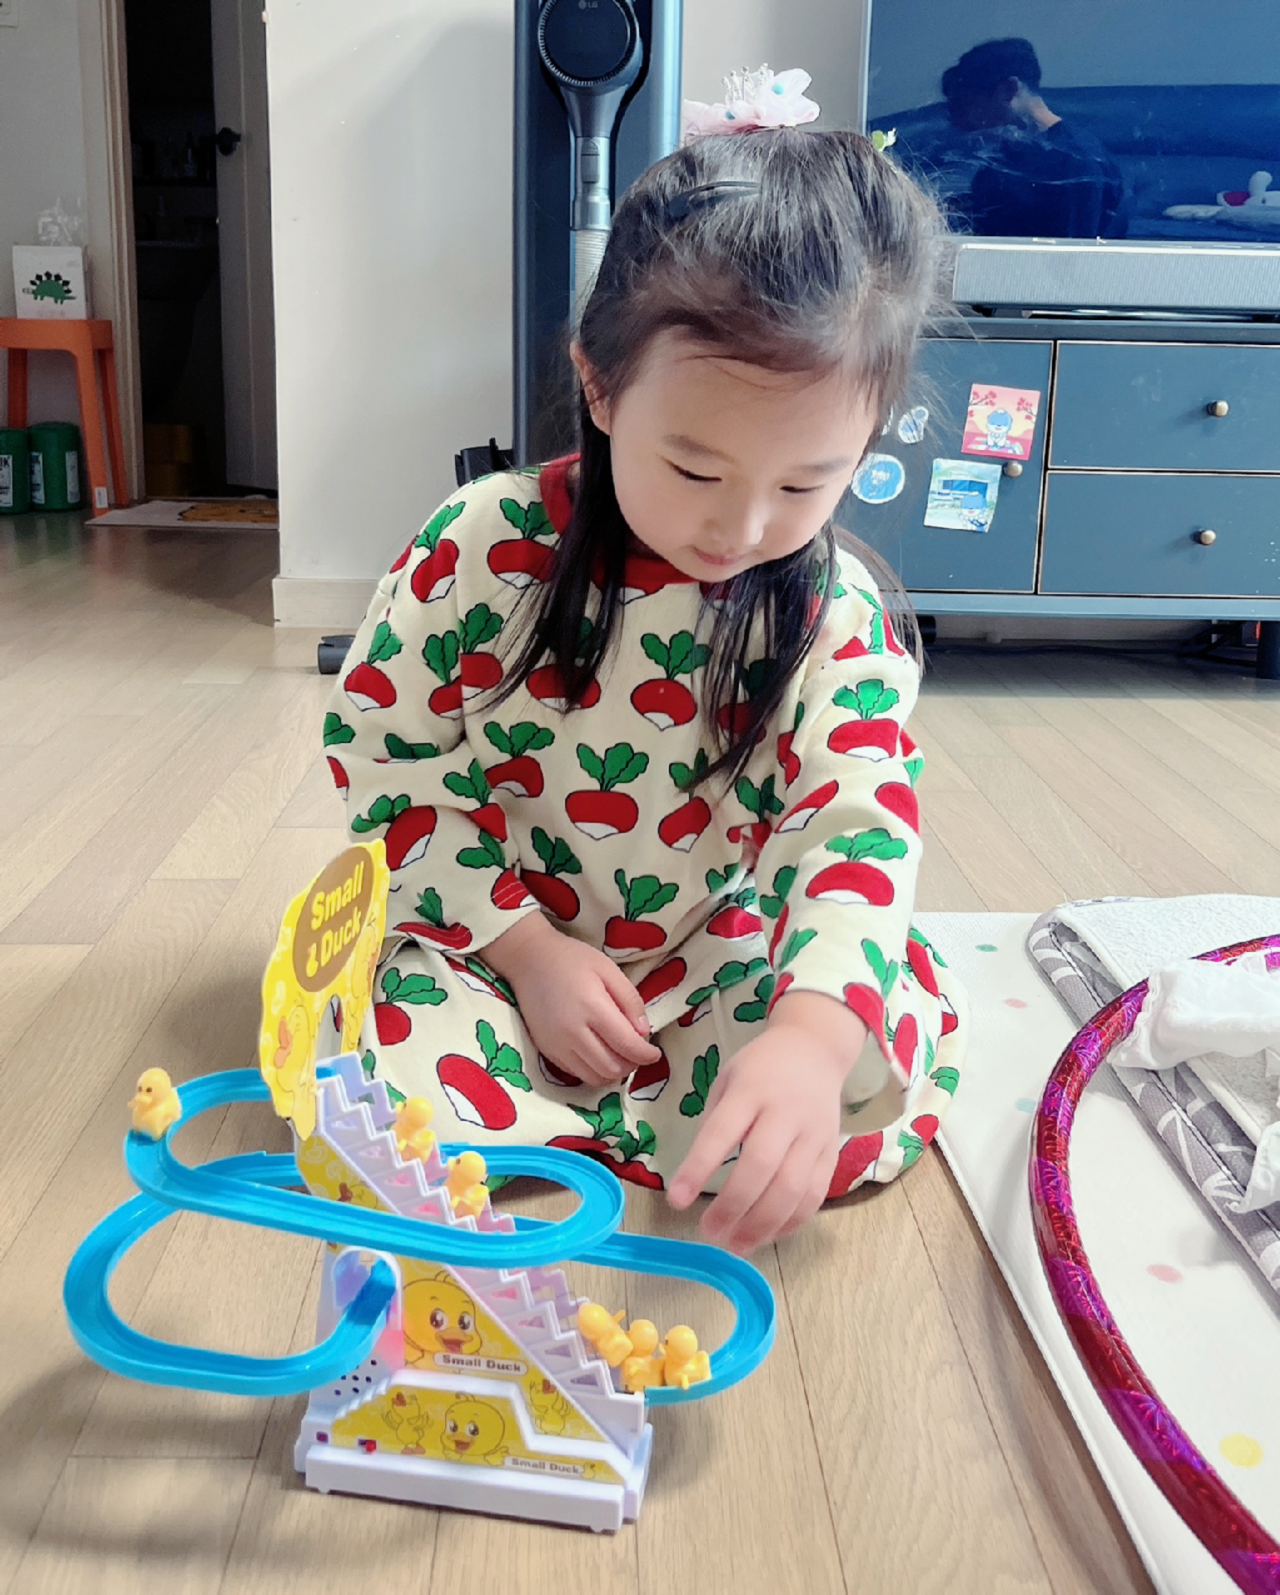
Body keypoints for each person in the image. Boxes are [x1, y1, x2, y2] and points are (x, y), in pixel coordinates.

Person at [324, 120, 968, 1256]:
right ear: (601, 384)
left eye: (807, 483)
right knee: (383, 1081)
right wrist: (526, 952)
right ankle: (545, 1091)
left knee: (846, 1078)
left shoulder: (831, 608)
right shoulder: (477, 547)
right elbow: (388, 760)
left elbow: (855, 820)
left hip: (714, 955)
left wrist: (811, 1040)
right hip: (495, 942)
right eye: (694, 466)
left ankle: (679, 1102)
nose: (743, 526)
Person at [939, 37, 1126, 238]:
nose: (957, 121)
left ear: (1009, 89)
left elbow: (1074, 249)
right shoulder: (1008, 152)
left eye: (965, 105)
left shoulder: (1077, 162)